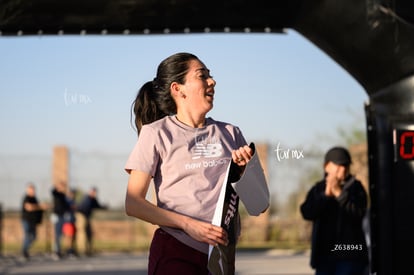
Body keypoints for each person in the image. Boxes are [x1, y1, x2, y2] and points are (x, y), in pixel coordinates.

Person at [124, 52, 254, 274]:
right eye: (202, 76)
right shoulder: (156, 133)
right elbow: (133, 203)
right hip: (176, 251)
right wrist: (188, 225)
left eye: (210, 76)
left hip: (220, 256)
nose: (212, 81)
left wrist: (243, 174)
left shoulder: (231, 133)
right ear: (178, 89)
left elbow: (257, 202)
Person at [300, 146, 369, 275]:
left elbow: (358, 213)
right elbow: (307, 212)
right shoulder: (318, 189)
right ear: (326, 166)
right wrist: (325, 196)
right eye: (338, 165)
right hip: (324, 258)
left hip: (350, 258)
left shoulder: (356, 188)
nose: (342, 169)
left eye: (346, 165)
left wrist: (339, 193)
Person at [76, 187, 107, 256]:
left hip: (87, 216)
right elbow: (83, 207)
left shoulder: (93, 199)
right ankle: (82, 251)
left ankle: (88, 250)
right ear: (90, 192)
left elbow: (97, 206)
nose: (94, 194)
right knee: (82, 233)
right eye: (93, 192)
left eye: (95, 192)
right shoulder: (86, 198)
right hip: (81, 216)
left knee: (89, 233)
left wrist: (104, 207)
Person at [21, 183, 48, 260]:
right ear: (28, 190)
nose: (33, 191)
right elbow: (29, 207)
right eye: (31, 189)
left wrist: (43, 207)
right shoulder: (26, 198)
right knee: (28, 235)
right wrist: (40, 206)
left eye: (33, 189)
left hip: (33, 221)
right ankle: (24, 252)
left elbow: (38, 207)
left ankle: (25, 250)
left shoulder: (35, 198)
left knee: (34, 237)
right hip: (27, 220)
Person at [51, 181, 70, 259]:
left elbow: (66, 206)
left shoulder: (63, 195)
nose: (63, 188)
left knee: (61, 234)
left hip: (63, 216)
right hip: (57, 216)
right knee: (57, 234)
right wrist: (57, 186)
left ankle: (59, 250)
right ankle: (56, 251)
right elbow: (52, 191)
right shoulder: (56, 194)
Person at [62, 188, 77, 257]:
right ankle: (68, 250)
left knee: (72, 236)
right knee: (68, 236)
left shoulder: (72, 201)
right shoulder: (67, 201)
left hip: (72, 221)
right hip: (68, 221)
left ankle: (70, 249)